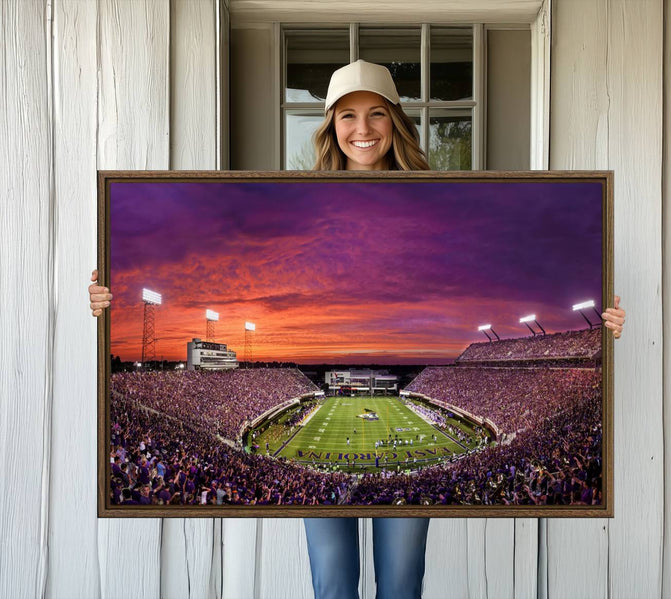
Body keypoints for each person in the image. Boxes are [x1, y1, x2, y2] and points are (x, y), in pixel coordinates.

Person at [88, 60, 627, 599]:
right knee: (333, 585)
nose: (362, 129)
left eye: (376, 114)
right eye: (348, 115)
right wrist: (108, 300)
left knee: (400, 585)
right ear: (330, 125)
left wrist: (603, 328)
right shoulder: (302, 201)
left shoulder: (435, 197)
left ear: (395, 121)